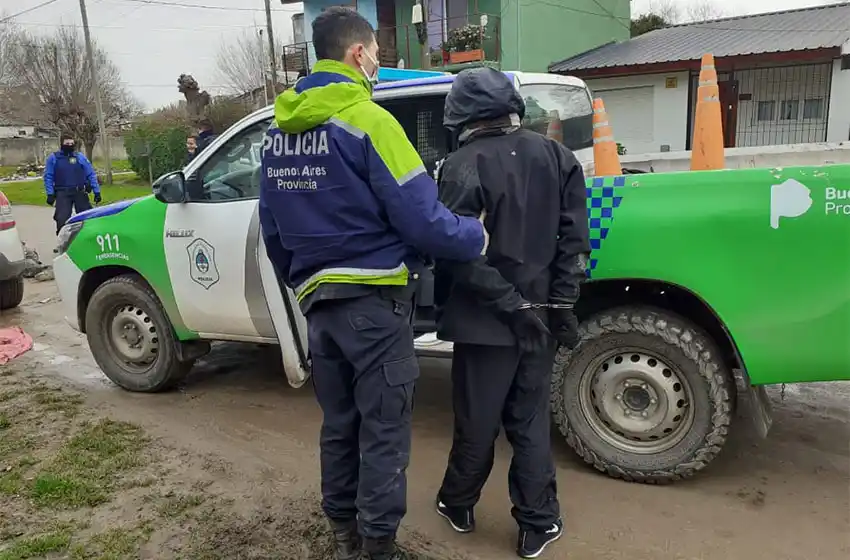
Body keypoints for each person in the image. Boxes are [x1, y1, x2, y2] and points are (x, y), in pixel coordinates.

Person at [258, 7, 485, 560]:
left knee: (340, 426)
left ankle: (343, 535)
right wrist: (476, 237)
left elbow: (271, 226)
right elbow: (422, 218)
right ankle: (377, 548)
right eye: (377, 54)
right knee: (384, 431)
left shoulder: (276, 134)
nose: (380, 64)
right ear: (357, 53)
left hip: (322, 306)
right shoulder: (370, 121)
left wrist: (304, 283)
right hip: (375, 302)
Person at [431, 67, 590, 559]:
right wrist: (561, 303)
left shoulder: (460, 165)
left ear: (461, 114)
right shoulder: (558, 157)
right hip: (541, 318)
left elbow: (458, 255)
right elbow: (575, 242)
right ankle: (538, 524)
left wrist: (509, 305)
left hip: (486, 323)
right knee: (529, 421)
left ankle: (458, 504)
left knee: (478, 423)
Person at [44, 134, 101, 236]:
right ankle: (62, 242)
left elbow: (91, 173)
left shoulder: (79, 157)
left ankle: (87, 238)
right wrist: (50, 193)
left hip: (79, 191)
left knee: (87, 217)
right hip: (63, 193)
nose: (69, 146)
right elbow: (48, 177)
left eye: (71, 143)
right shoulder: (54, 158)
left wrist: (96, 191)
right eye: (67, 143)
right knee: (62, 219)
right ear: (61, 144)